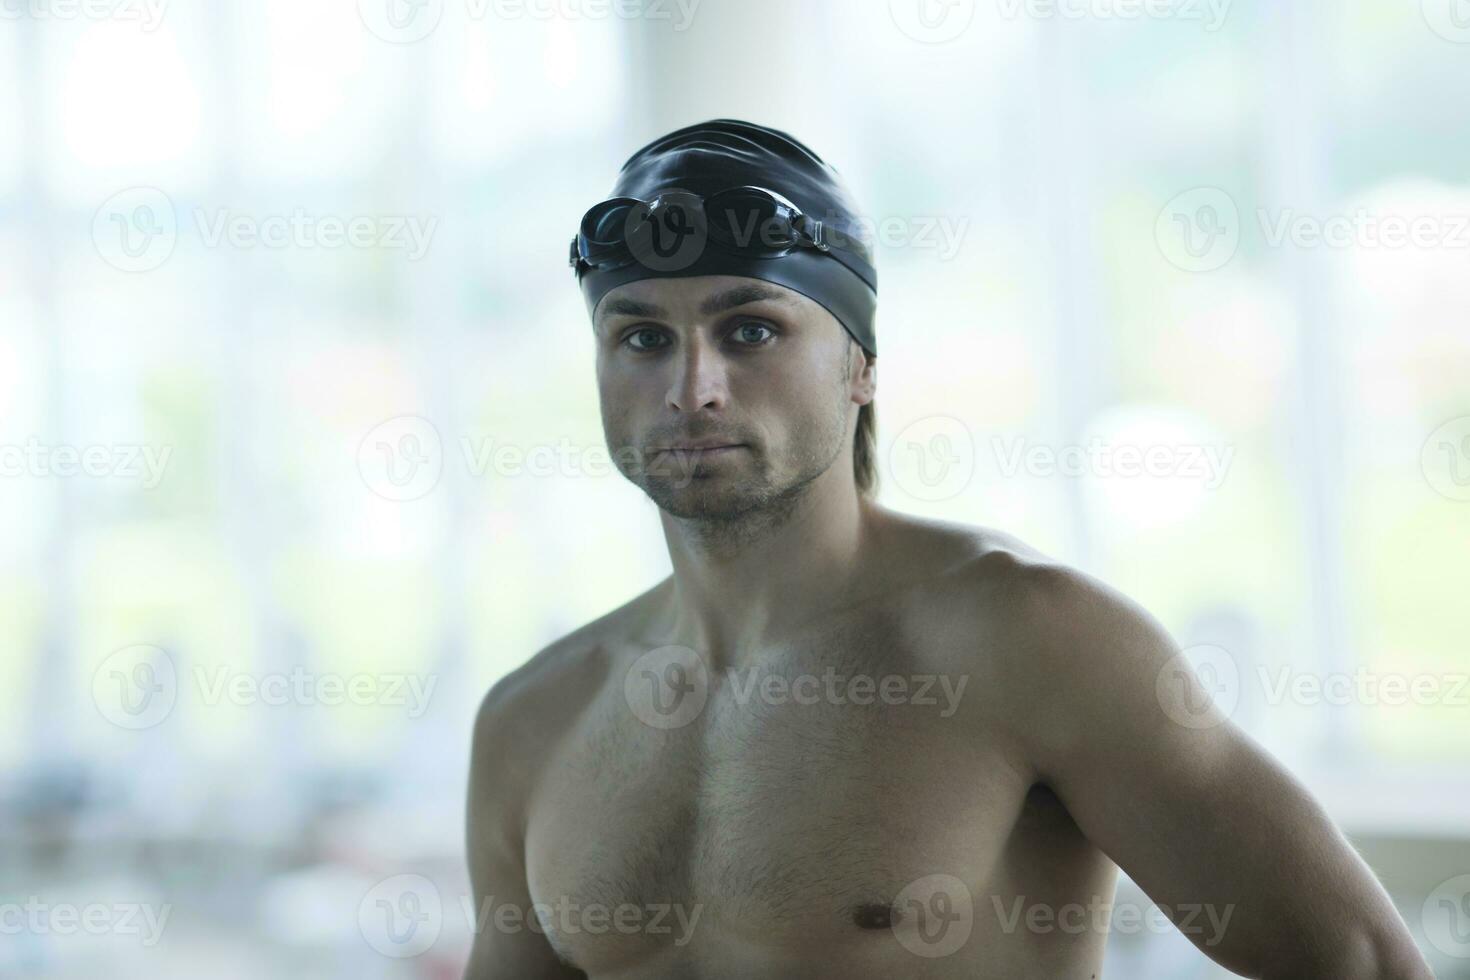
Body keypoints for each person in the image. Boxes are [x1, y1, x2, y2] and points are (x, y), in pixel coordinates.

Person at [459, 119, 1433, 978]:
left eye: (750, 328)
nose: (692, 386)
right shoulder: (532, 720)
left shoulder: (1026, 638)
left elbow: (1365, 963)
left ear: (861, 367)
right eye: (640, 338)